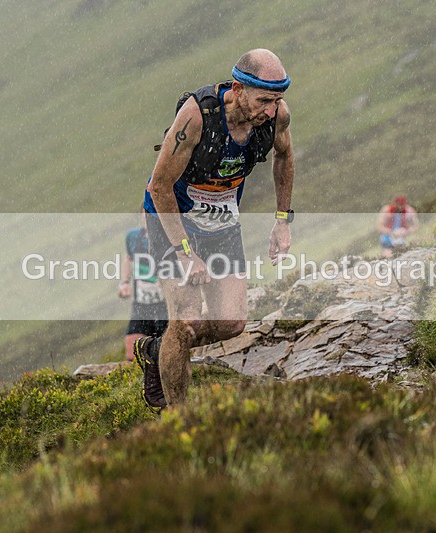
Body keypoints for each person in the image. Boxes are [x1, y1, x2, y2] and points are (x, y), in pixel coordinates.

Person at [133, 48, 295, 411]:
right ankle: (178, 417)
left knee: (232, 323)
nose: (271, 110)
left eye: (277, 99)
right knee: (186, 318)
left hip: (221, 223)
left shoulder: (275, 118)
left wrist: (282, 221)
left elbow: (284, 157)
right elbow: (158, 187)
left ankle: (157, 349)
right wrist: (185, 253)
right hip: (171, 216)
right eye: (264, 100)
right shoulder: (197, 116)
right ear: (238, 88)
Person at [117, 208, 168, 362]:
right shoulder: (133, 237)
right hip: (141, 305)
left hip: (164, 306)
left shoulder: (167, 239)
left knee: (164, 352)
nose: (148, 221)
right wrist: (124, 283)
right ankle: (140, 383)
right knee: (132, 352)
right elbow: (129, 258)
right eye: (145, 216)